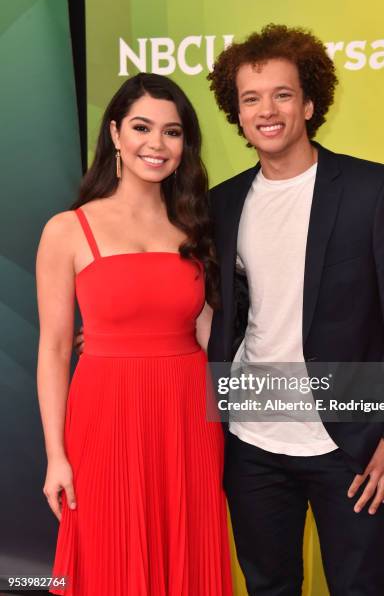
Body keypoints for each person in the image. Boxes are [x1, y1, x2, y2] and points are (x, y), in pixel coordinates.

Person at [206, 24, 384, 595]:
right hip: (251, 444)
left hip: (349, 447)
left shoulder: (374, 190)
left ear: (308, 102)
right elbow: (221, 313)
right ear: (236, 113)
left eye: (282, 94)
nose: (267, 110)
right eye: (250, 98)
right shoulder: (224, 202)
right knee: (268, 586)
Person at [36, 73, 233, 596]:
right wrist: (56, 455)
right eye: (142, 127)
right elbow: (55, 350)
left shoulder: (197, 226)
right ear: (116, 134)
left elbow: (212, 329)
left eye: (172, 132)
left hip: (187, 414)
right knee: (106, 553)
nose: (157, 144)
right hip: (104, 416)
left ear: (184, 145)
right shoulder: (67, 229)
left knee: (184, 548)